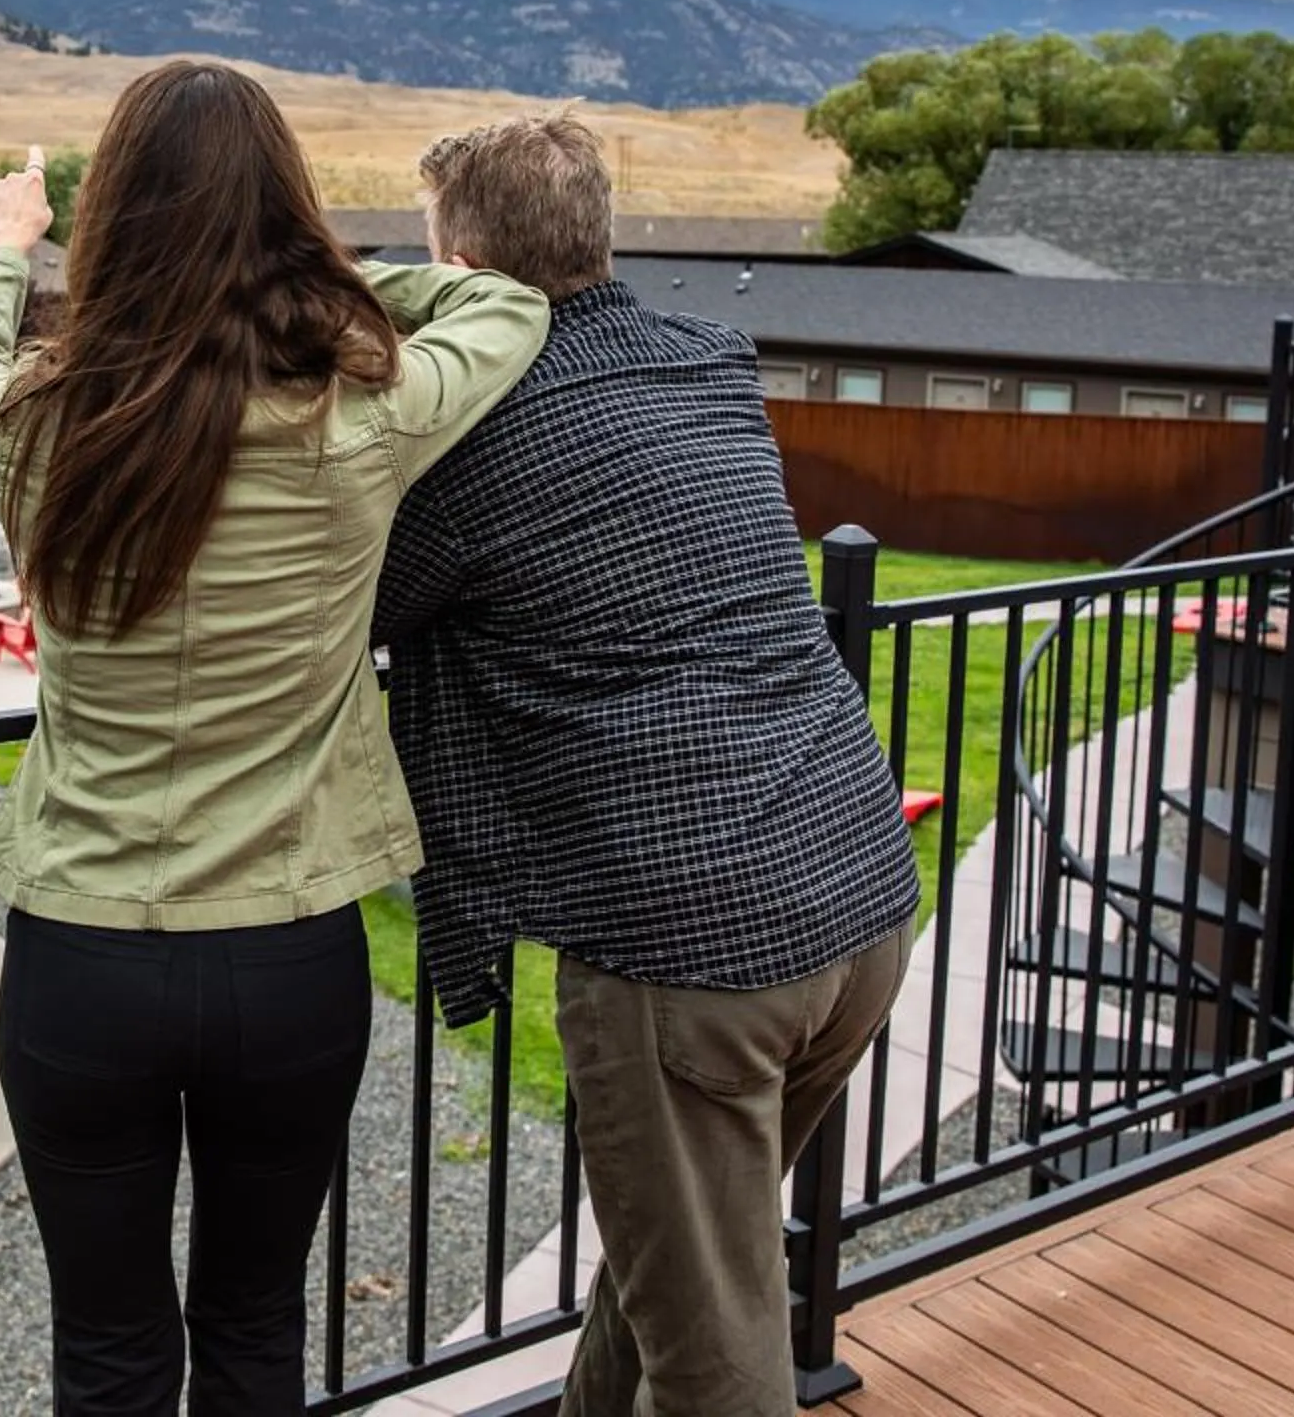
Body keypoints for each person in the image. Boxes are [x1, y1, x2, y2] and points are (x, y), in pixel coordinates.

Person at [0, 60, 550, 1415]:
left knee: (107, 1348)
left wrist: (5, 245)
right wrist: (314, 279)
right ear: (287, 215)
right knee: (258, 1327)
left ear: (114, 221)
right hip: (289, 953)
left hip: (82, 955)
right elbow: (505, 302)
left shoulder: (38, 422)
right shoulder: (362, 409)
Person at [371, 113, 920, 1417]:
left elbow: (356, 600)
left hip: (690, 956)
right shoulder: (706, 364)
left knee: (714, 1360)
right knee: (683, 1267)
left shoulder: (473, 433)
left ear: (461, 263)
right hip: (858, 902)